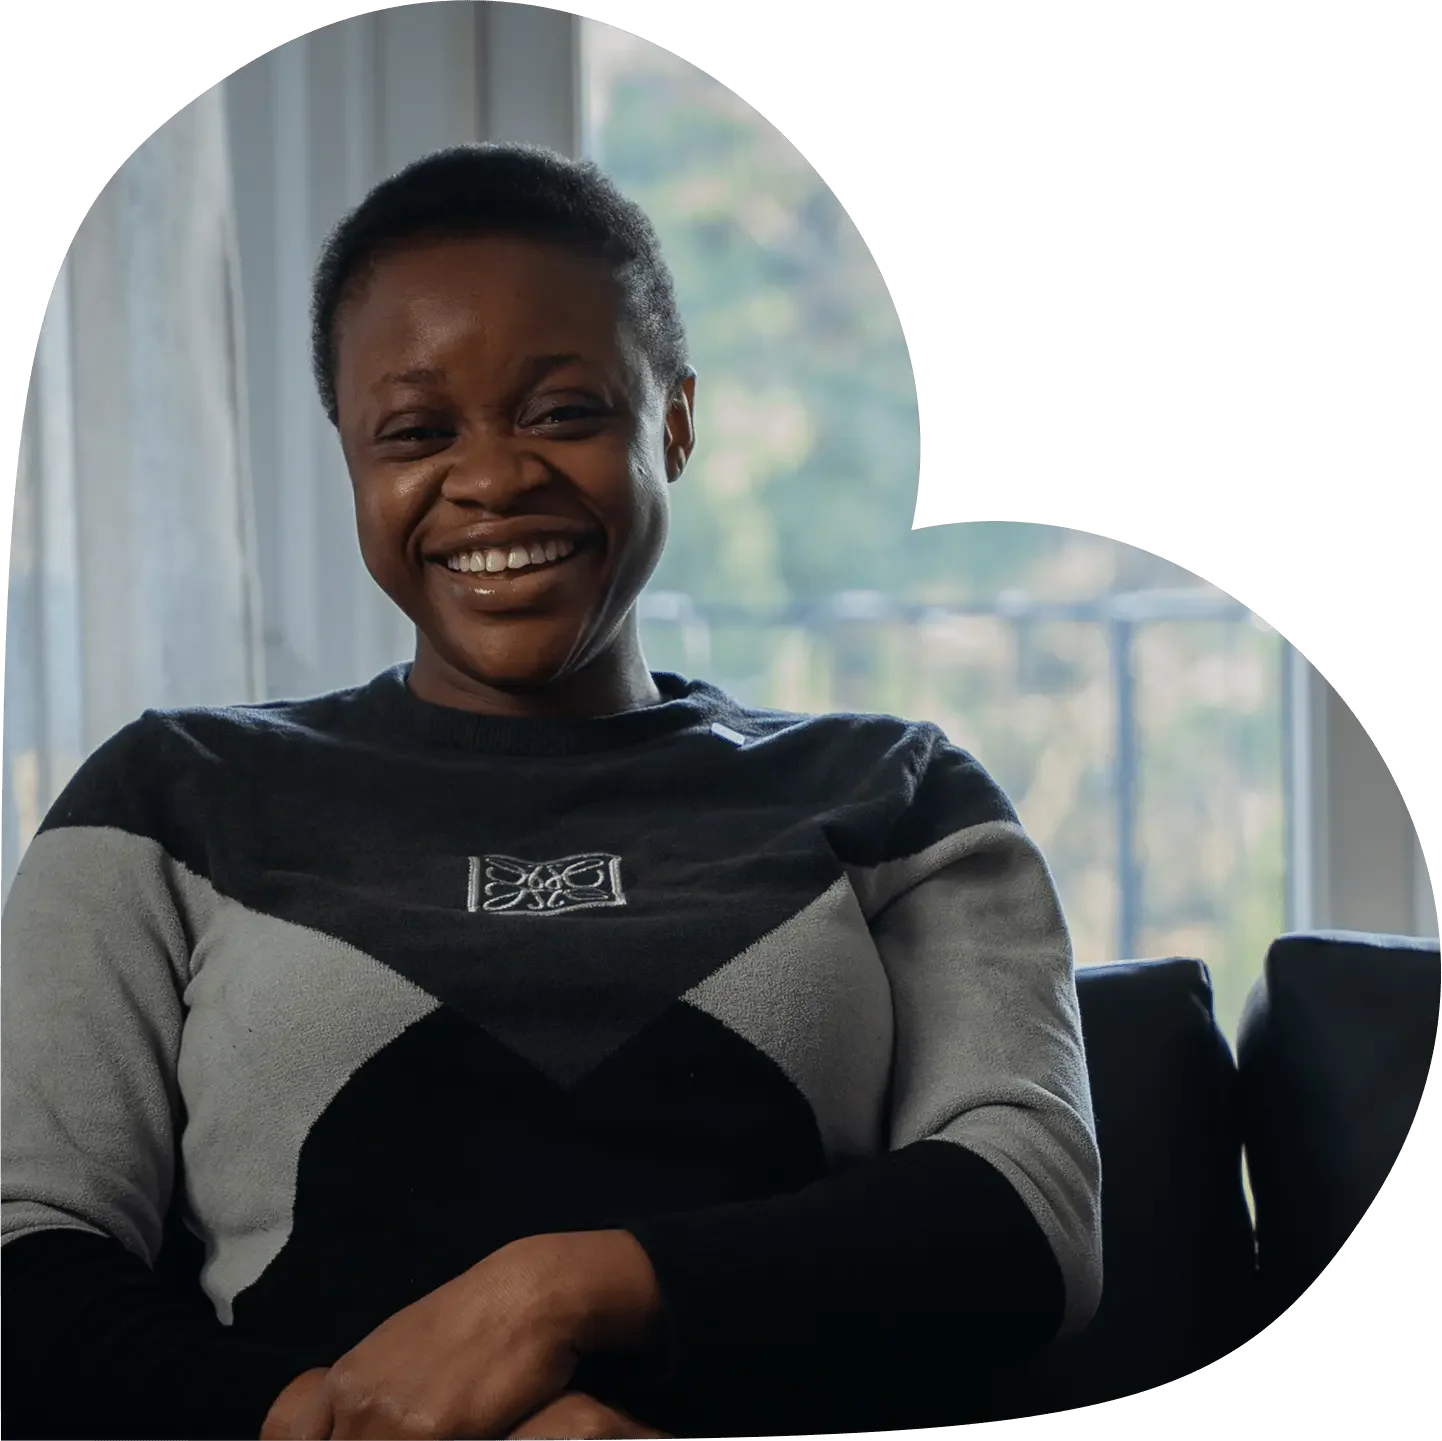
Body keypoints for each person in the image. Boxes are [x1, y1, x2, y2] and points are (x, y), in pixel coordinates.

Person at [0, 143, 1102, 1440]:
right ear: (350, 458)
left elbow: (1028, 1213)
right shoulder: (167, 794)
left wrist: (554, 1295)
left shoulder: (895, 789)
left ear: (674, 421)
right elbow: (31, 1254)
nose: (491, 479)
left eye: (562, 411)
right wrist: (342, 1428)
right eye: (415, 431)